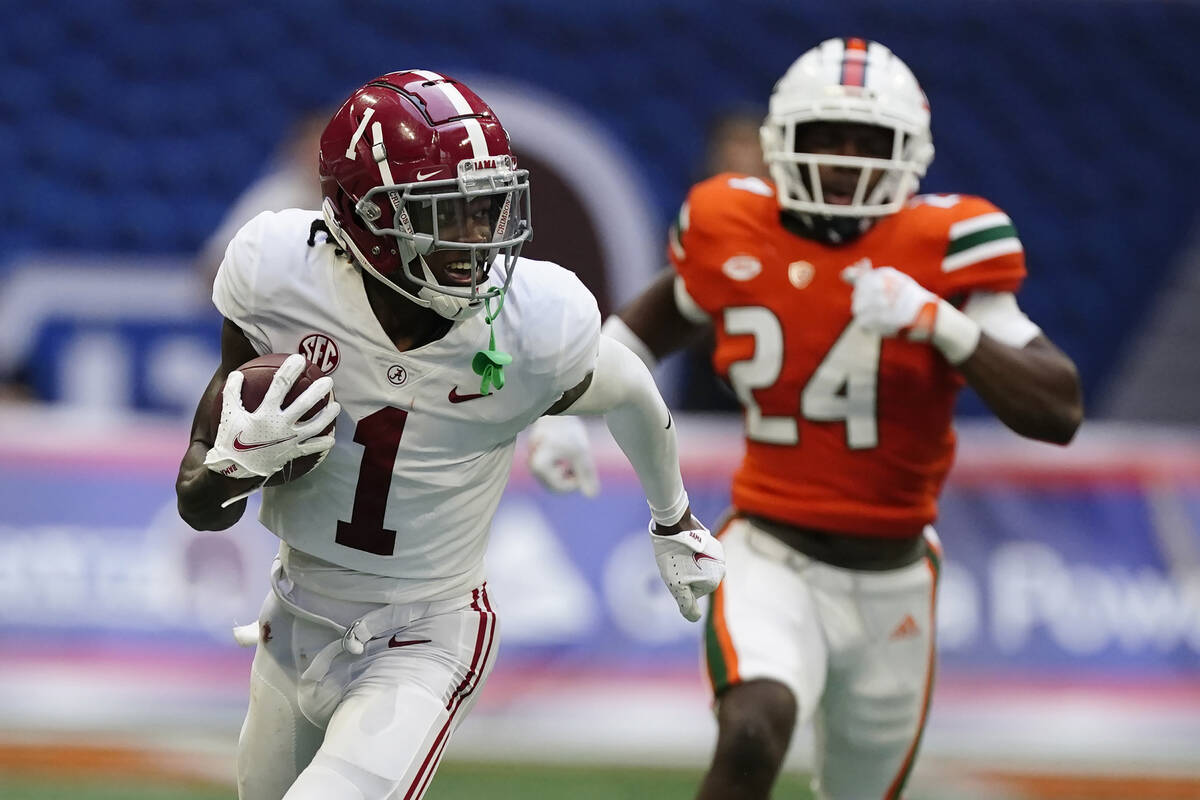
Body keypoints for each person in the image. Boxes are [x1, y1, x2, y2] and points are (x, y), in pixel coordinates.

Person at [527, 38, 1083, 800]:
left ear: (909, 153)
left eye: (868, 142)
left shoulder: (948, 248)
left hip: (894, 578)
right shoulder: (732, 224)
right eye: (827, 137)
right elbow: (641, 332)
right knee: (754, 726)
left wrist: (944, 325)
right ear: (782, 141)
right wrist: (564, 413)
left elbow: (1058, 408)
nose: (847, 160)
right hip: (770, 551)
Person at [174, 69, 725, 800]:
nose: (475, 239)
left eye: (484, 208)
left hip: (424, 633)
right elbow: (199, 504)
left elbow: (628, 389)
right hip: (294, 615)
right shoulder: (279, 273)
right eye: (444, 213)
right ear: (362, 215)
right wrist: (234, 467)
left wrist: (672, 517)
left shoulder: (533, 319)